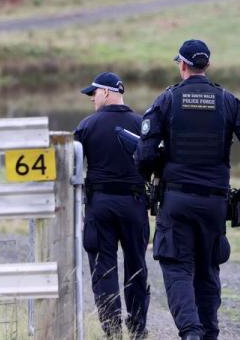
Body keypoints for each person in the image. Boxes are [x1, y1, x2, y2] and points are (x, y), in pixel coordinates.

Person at [136, 39, 240, 340]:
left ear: (183, 65)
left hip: (176, 201)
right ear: (207, 66)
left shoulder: (167, 101)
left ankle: (190, 332)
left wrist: (144, 179)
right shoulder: (229, 101)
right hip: (215, 204)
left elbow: (146, 153)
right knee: (207, 269)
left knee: (177, 267)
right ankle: (209, 333)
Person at [75, 71, 150, 338]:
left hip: (100, 206)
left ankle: (112, 331)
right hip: (134, 205)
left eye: (93, 94)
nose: (92, 99)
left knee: (103, 268)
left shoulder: (86, 126)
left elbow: (70, 168)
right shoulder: (142, 124)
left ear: (106, 92)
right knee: (136, 266)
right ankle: (138, 329)